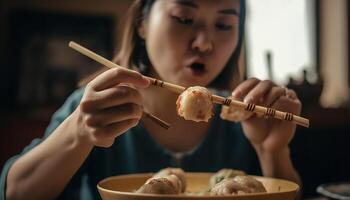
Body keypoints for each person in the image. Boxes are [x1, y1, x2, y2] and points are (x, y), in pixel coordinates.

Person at [1, 0, 302, 199]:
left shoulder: (244, 118)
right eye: (184, 18)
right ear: (142, 24)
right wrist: (77, 132)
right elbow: (14, 193)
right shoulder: (97, 106)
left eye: (224, 25)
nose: (205, 43)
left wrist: (271, 150)